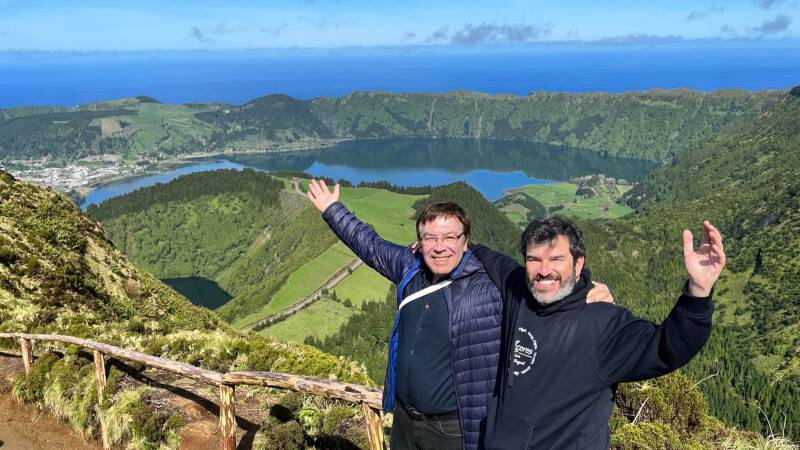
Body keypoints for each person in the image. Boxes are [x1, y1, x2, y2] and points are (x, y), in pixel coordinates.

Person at [305, 180, 611, 450]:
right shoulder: (410, 267)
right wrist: (332, 209)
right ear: (420, 240)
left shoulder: (490, 285)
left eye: (450, 237)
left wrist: (586, 290)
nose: (439, 247)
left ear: (466, 241)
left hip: (454, 429)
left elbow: (543, 285)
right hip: (404, 419)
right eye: (430, 238)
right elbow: (370, 246)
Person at [471, 217, 725, 449]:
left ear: (578, 263)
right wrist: (458, 242)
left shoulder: (602, 323)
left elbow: (667, 346)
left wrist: (698, 292)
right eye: (534, 259)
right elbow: (494, 259)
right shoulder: (519, 290)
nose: (544, 270)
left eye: (557, 259)